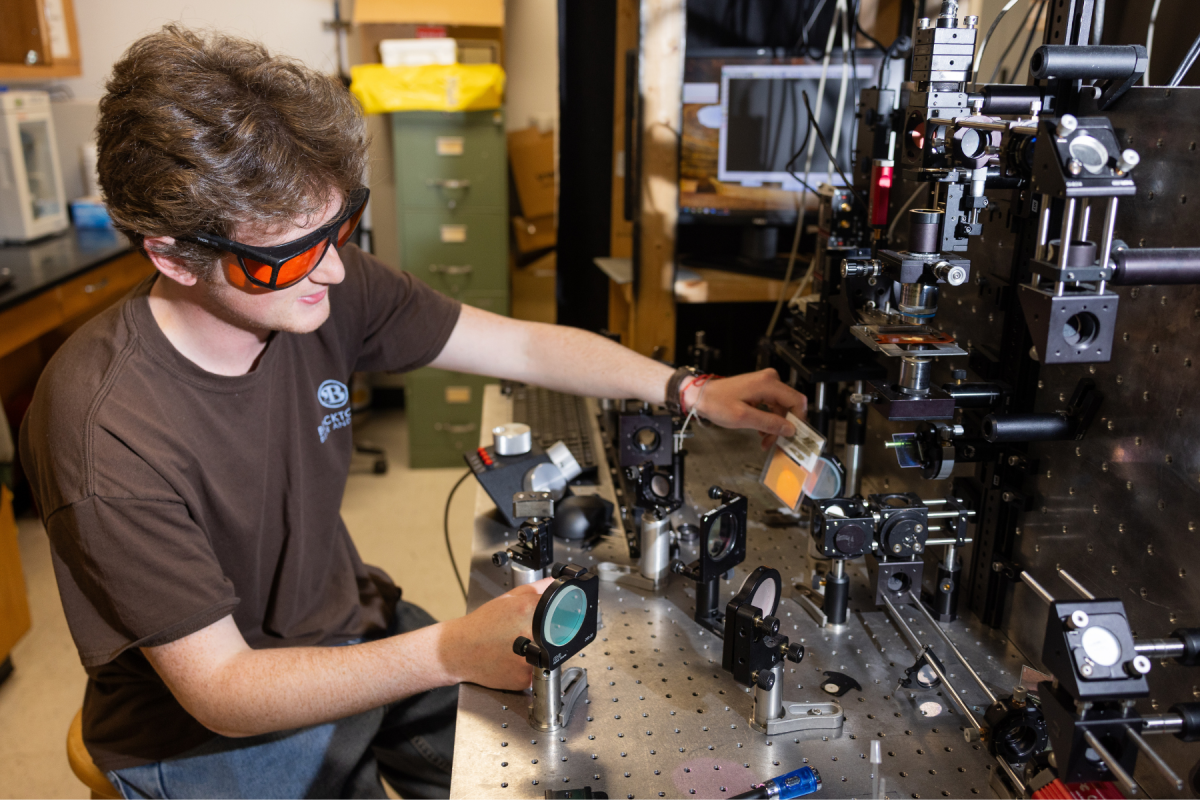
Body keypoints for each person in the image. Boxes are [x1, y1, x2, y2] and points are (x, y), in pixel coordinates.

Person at [19, 25, 808, 800]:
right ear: (171, 254)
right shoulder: (105, 430)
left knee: (560, 759)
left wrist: (690, 391)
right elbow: (222, 689)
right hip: (206, 729)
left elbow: (523, 348)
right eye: (292, 253)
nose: (330, 271)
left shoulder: (313, 283)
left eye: (340, 226)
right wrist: (447, 651)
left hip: (347, 621)